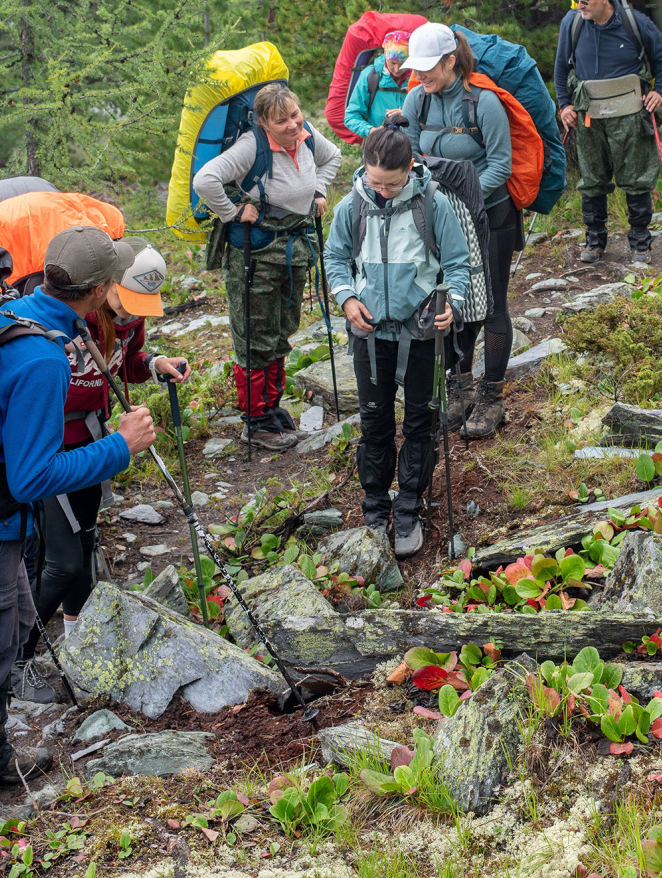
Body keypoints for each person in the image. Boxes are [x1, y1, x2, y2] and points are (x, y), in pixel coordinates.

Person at [0, 225, 160, 845]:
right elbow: (35, 477)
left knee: (5, 640)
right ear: (104, 288)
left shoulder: (25, 312)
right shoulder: (41, 359)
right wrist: (119, 447)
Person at [13, 237, 189, 703]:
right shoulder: (73, 320)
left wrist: (153, 364)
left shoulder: (128, 322)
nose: (132, 314)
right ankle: (14, 658)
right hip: (55, 450)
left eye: (141, 307)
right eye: (124, 302)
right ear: (103, 287)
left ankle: (76, 643)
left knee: (85, 544)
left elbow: (121, 365)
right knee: (64, 561)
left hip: (93, 444)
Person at [323, 126, 471, 556]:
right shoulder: (353, 205)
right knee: (374, 422)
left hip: (422, 332)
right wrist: (347, 298)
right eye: (374, 181)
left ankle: (409, 505)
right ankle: (374, 505)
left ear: (410, 168)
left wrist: (453, 304)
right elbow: (335, 257)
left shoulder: (432, 203)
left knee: (419, 423)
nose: (382, 191)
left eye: (390, 182)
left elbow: (459, 264)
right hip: (369, 333)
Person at [193, 83, 341, 452]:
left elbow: (333, 156)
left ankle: (271, 409)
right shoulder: (250, 145)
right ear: (263, 123)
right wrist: (232, 212)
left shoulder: (305, 136)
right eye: (282, 121)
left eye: (295, 115)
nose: (293, 125)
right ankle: (255, 420)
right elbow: (205, 180)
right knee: (255, 335)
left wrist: (319, 191)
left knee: (282, 329)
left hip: (293, 250)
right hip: (256, 257)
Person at [402, 22, 514, 439]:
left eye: (428, 67)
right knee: (453, 301)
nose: (420, 76)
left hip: (491, 217)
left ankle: (493, 397)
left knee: (493, 305)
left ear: (451, 61)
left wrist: (459, 200)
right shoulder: (417, 100)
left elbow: (500, 166)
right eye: (417, 69)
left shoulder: (483, 103)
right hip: (439, 218)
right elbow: (408, 158)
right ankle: (460, 387)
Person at [553, 0, 662, 265]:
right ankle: (594, 242)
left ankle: (641, 244)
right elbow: (560, 68)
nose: (579, 5)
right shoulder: (572, 23)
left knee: (636, 179)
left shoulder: (636, 23)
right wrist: (564, 105)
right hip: (588, 115)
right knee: (592, 179)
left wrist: (659, 91)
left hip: (630, 115)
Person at [344, 30, 414, 139]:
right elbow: (351, 116)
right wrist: (372, 131)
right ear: (385, 55)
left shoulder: (418, 77)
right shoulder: (370, 75)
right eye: (392, 63)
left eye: (402, 64)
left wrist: (408, 114)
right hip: (378, 146)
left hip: (412, 146)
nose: (397, 69)